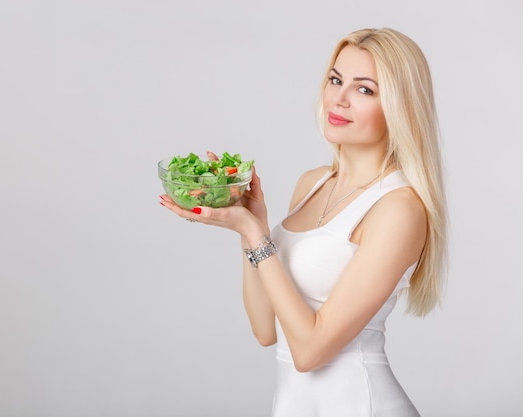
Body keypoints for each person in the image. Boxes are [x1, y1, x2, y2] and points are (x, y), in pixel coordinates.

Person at [159, 27, 447, 417]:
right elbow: (265, 329)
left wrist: (256, 234)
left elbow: (310, 351)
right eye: (335, 79)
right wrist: (247, 222)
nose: (339, 99)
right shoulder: (312, 184)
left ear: (400, 106)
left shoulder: (399, 208)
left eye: (364, 90)